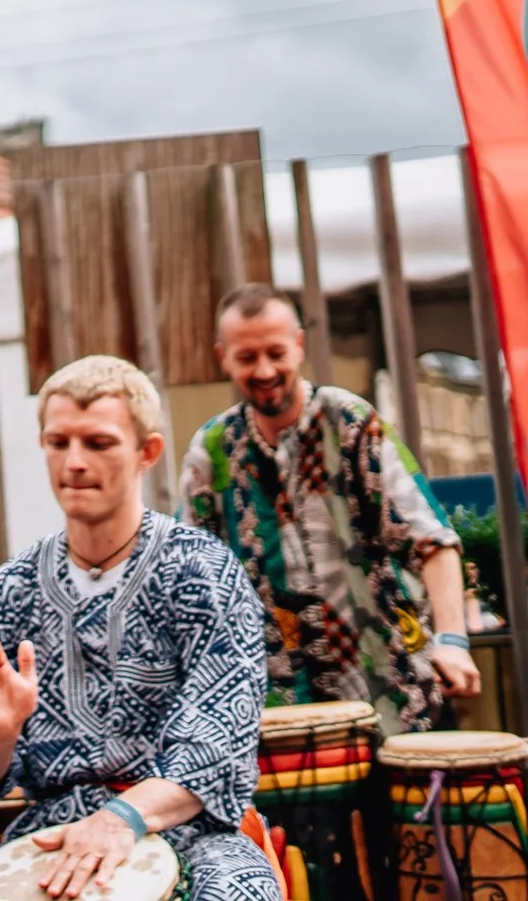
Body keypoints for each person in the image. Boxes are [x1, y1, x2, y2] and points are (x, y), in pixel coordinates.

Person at [0, 356, 279, 901]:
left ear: (148, 452)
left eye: (98, 443)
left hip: (189, 830)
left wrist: (121, 818)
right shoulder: (6, 592)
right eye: (57, 441)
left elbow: (216, 742)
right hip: (51, 830)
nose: (73, 462)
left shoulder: (202, 571)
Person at [181, 284, 481, 734]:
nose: (264, 370)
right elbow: (193, 580)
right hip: (284, 714)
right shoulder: (211, 451)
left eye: (275, 353)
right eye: (247, 358)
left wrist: (453, 641)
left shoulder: (351, 421)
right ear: (223, 357)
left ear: (299, 345)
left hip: (394, 689)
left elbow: (430, 539)